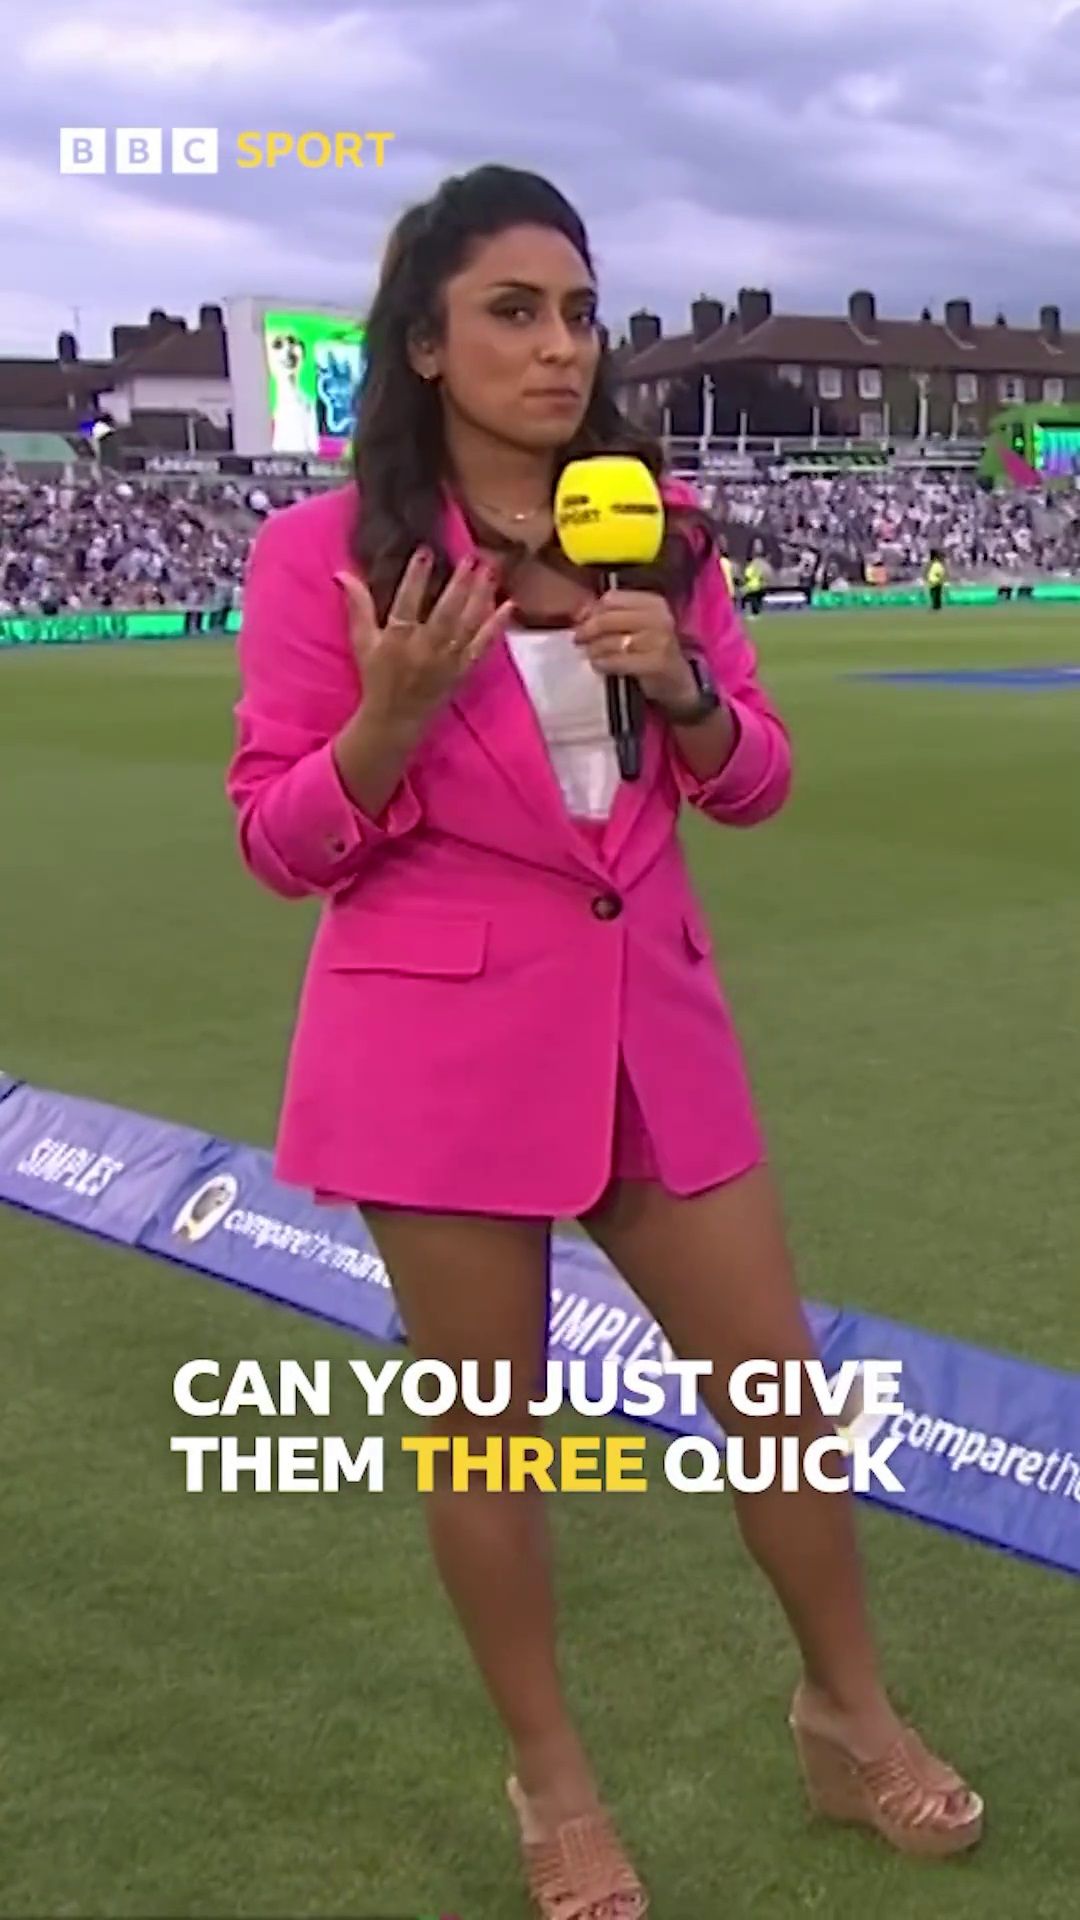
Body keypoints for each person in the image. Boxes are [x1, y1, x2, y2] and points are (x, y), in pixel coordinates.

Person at [226, 164, 982, 1919]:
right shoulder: (318, 557)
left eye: (579, 311)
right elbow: (277, 840)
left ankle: (848, 1717)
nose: (560, 345)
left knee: (781, 1404)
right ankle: (554, 1789)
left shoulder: (667, 536)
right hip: (435, 1054)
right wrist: (387, 726)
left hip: (654, 1029)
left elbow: (758, 781)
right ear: (423, 344)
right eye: (513, 311)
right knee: (492, 1443)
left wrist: (691, 691)